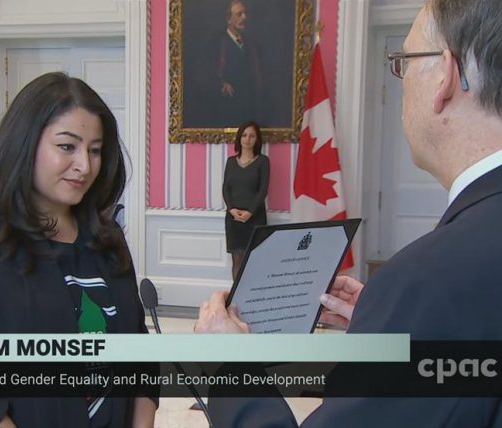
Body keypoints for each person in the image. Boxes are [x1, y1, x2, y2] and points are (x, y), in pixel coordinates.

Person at [195, 0, 502, 426]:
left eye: (404, 61)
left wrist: (230, 363)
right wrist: (390, 328)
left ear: (445, 76)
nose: (400, 81)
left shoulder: (426, 282)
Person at [0, 72, 156, 427]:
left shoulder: (106, 235)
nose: (84, 165)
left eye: (95, 150)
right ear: (25, 143)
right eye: (67, 146)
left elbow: (140, 354)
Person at [222, 121, 269, 280]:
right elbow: (226, 189)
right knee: (237, 260)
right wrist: (231, 209)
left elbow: (263, 191)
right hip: (234, 219)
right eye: (244, 135)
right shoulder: (230, 162)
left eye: (252, 136)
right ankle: (236, 299)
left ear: (257, 139)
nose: (247, 139)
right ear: (239, 137)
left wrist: (249, 212)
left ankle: (253, 299)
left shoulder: (263, 161)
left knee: (254, 260)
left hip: (255, 218)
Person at [211, 0, 262, 127]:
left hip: (249, 108)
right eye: (239, 14)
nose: (244, 17)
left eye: (245, 13)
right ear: (228, 19)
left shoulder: (251, 43)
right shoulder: (217, 43)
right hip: (226, 107)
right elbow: (205, 74)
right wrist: (221, 84)